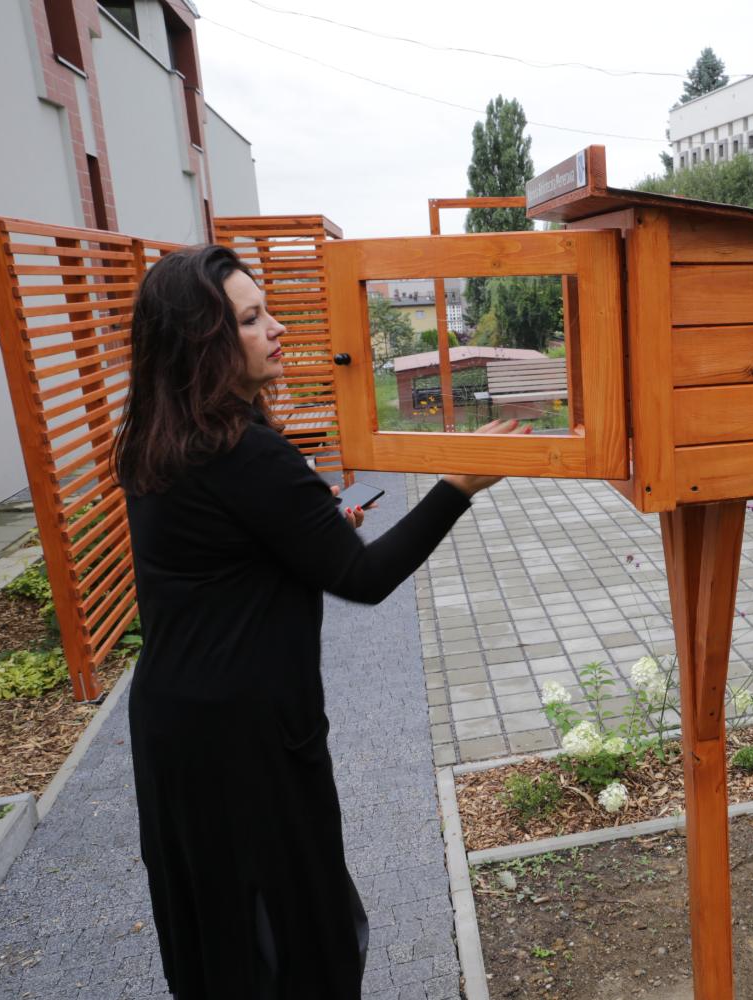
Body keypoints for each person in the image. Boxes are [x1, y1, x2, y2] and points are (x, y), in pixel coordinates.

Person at [114, 244, 525, 999]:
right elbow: (361, 577)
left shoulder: (156, 436)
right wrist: (458, 487)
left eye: (266, 309)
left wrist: (301, 528)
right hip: (246, 741)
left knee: (218, 930)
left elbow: (221, 549)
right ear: (204, 344)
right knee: (296, 939)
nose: (276, 329)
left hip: (173, 726)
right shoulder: (246, 454)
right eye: (250, 317)